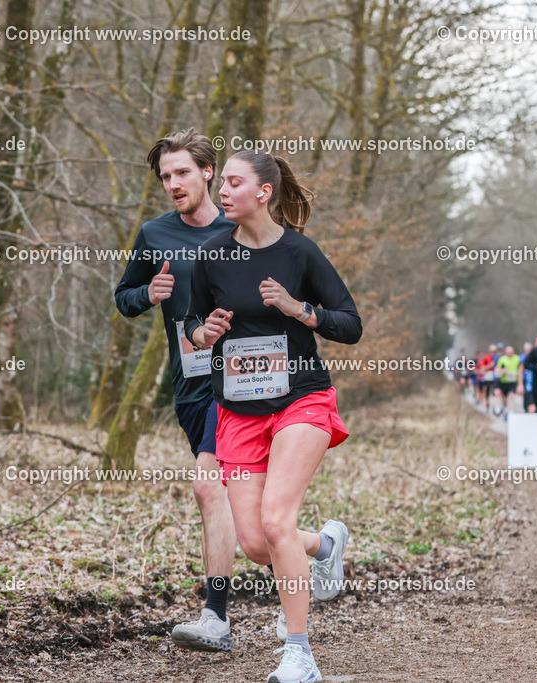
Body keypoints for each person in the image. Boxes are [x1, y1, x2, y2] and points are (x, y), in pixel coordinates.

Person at [186, 149, 361, 683]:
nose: (223, 192)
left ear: (263, 192)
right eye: (223, 185)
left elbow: (350, 324)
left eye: (234, 183)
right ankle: (325, 545)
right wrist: (203, 334)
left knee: (277, 519)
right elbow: (193, 325)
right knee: (259, 543)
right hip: (238, 411)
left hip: (301, 400)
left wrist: (297, 309)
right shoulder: (211, 256)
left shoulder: (300, 253)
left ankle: (299, 653)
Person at [114, 128, 238, 651]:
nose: (173, 183)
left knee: (209, 487)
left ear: (208, 172)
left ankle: (216, 617)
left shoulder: (244, 228)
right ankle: (322, 545)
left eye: (182, 172)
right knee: (245, 515)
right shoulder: (155, 234)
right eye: (165, 176)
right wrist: (149, 291)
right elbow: (123, 298)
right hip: (191, 382)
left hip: (246, 381)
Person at [495, 345, 521, 417]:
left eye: (511, 352)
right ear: (505, 352)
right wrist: (502, 370)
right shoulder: (502, 359)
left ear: (513, 352)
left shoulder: (517, 358)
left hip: (513, 381)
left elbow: (521, 368)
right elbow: (497, 370)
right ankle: (504, 407)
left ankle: (511, 411)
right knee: (504, 398)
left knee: (512, 396)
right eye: (508, 353)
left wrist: (520, 380)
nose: (509, 354)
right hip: (504, 381)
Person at [519, 340, 537, 413]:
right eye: (526, 350)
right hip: (525, 380)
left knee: (532, 399)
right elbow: (520, 370)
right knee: (526, 399)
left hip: (534, 381)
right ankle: (526, 412)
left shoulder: (535, 356)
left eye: (529, 350)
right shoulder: (522, 357)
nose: (527, 352)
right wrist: (520, 384)